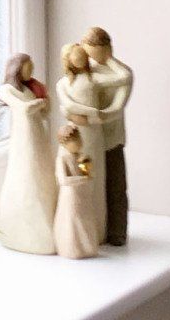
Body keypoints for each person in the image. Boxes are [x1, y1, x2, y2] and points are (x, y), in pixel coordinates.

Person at [0, 53, 57, 254]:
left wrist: (46, 102)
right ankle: (21, 233)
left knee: (43, 174)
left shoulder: (33, 87)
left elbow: (45, 114)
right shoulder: (7, 89)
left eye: (32, 66)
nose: (31, 71)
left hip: (38, 133)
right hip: (24, 137)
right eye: (27, 67)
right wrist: (36, 104)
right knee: (26, 174)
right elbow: (23, 108)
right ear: (17, 68)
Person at [81, 26, 133, 246]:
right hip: (87, 141)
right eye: (87, 52)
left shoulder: (120, 73)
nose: (90, 57)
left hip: (111, 140)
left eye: (94, 51)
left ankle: (117, 231)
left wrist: (98, 116)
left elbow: (117, 106)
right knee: (87, 182)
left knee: (115, 187)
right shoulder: (86, 72)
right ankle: (90, 230)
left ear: (106, 49)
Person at [56, 43, 107, 243]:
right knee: (76, 165)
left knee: (94, 175)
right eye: (75, 58)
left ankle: (97, 231)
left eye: (81, 57)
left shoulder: (92, 80)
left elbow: (72, 109)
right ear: (67, 60)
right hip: (76, 133)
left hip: (93, 133)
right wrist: (92, 114)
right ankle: (78, 233)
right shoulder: (63, 84)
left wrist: (90, 118)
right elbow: (68, 106)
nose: (79, 61)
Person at [52, 123, 102, 259]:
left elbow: (89, 174)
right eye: (75, 140)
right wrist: (82, 179)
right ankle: (71, 248)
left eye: (80, 139)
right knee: (73, 221)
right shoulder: (62, 159)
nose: (80, 142)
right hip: (70, 197)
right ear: (65, 143)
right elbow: (63, 180)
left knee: (85, 219)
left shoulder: (80, 156)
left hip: (82, 195)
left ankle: (86, 248)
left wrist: (87, 168)